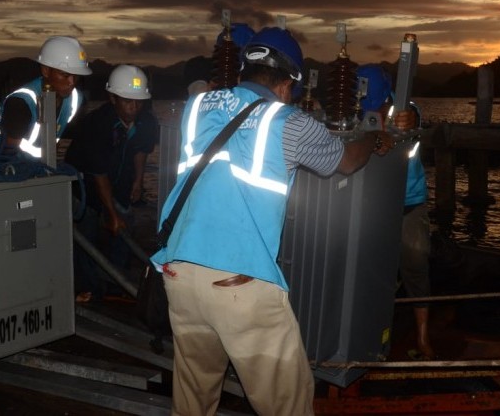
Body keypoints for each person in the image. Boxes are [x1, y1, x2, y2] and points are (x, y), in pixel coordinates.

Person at [151, 27, 393, 415]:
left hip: (178, 272)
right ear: (288, 84)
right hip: (239, 284)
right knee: (288, 405)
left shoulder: (197, 107)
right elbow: (345, 162)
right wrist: (373, 139)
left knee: (194, 401)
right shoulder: (288, 121)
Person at [357, 64, 436, 361]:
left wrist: (411, 117)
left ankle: (423, 337)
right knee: (375, 275)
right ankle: (371, 336)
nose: (374, 108)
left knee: (416, 268)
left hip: (410, 205)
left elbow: (414, 116)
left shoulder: (405, 109)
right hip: (375, 210)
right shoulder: (356, 109)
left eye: (378, 102)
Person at [64, 65, 159, 302]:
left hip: (120, 182)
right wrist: (110, 212)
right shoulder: (96, 124)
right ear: (113, 98)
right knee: (85, 235)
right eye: (128, 101)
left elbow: (141, 150)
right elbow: (99, 173)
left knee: (125, 228)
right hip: (85, 185)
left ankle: (117, 283)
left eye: (139, 102)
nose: (134, 108)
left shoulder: (146, 121)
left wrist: (138, 180)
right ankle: (88, 289)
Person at [0, 35, 91, 157]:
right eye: (65, 75)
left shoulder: (76, 99)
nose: (72, 82)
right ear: (45, 71)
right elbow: (7, 156)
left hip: (43, 168)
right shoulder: (21, 103)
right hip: (7, 169)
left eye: (76, 76)